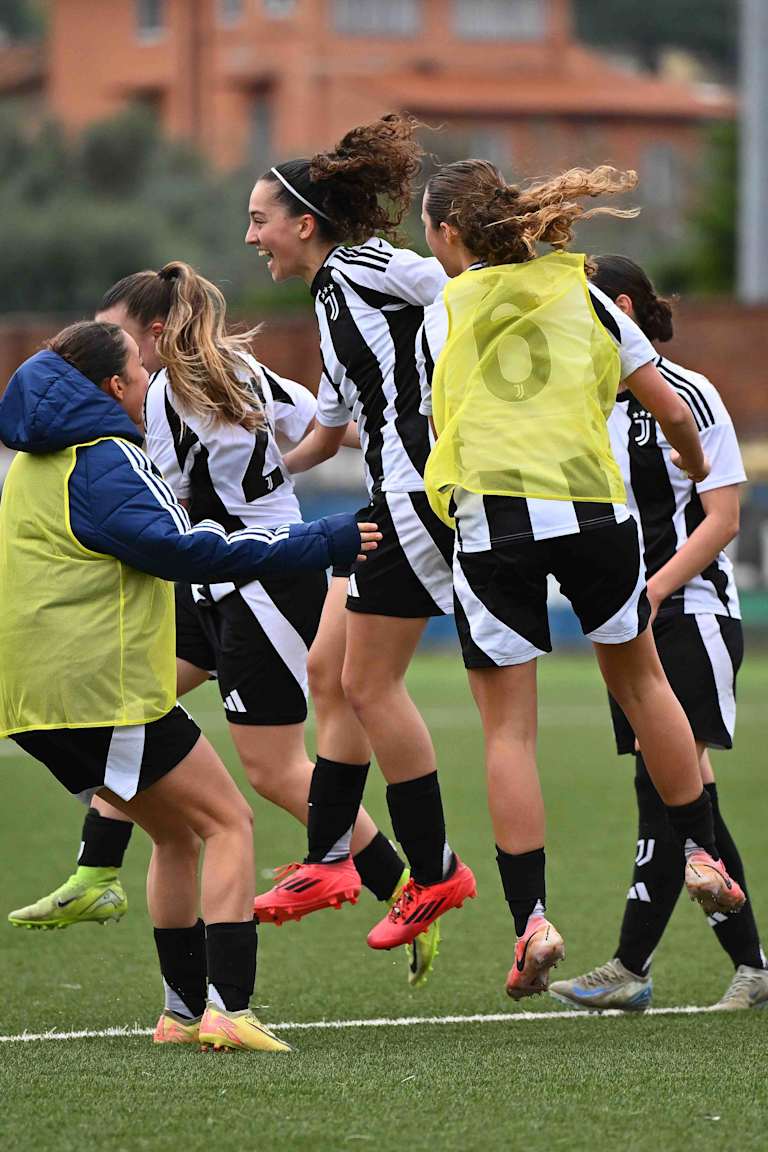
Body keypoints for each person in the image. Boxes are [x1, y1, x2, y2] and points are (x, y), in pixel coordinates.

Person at [7, 261, 427, 979]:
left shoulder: (171, 389)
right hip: (214, 578)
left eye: (116, 341)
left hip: (253, 578)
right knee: (140, 715)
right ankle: (98, 871)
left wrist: (387, 467)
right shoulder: (216, 374)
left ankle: (403, 889)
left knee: (266, 771)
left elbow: (181, 526)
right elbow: (328, 430)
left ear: (154, 335)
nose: (111, 360)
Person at [417, 159, 745, 999]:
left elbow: (441, 424)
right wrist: (690, 456)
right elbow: (670, 409)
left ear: (450, 235)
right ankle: (704, 852)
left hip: (497, 524)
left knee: (507, 732)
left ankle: (533, 921)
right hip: (598, 515)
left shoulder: (442, 313)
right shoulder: (590, 296)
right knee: (643, 686)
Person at [247, 114, 476, 959]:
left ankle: (436, 870)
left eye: (259, 218)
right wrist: (257, 459)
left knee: (370, 688)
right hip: (387, 494)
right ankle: (329, 857)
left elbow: (455, 284)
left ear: (305, 222)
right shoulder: (329, 298)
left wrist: (458, 391)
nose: (251, 236)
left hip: (416, 496)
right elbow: (330, 427)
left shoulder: (372, 266)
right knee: (329, 676)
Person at [547, 255, 767, 1012]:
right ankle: (753, 965)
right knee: (687, 794)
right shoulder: (578, 402)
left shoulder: (689, 394)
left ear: (626, 310)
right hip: (625, 623)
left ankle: (631, 967)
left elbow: (725, 519)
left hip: (692, 612)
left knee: (660, 781)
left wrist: (657, 587)